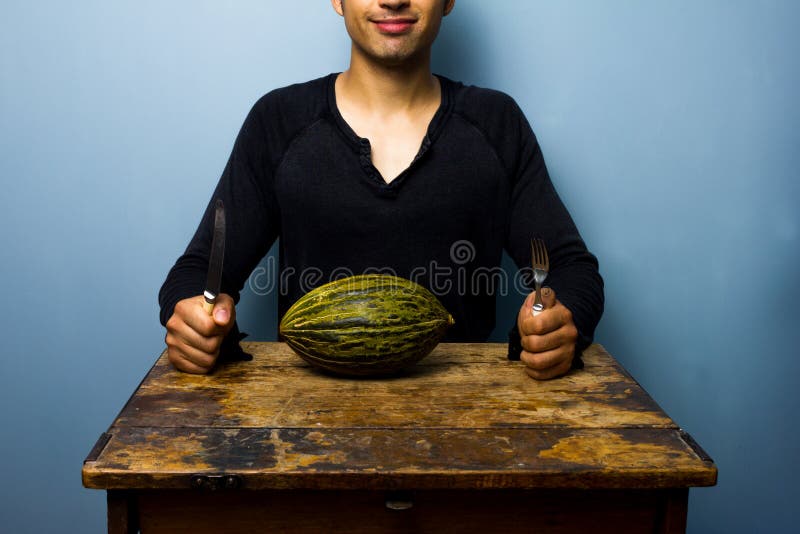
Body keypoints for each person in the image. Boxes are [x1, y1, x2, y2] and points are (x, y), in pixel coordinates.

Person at [159, 0, 604, 380]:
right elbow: (199, 271)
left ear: (448, 0)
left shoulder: (496, 123)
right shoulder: (278, 120)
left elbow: (570, 269)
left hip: (467, 419)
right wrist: (194, 321)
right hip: (301, 421)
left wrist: (560, 323)